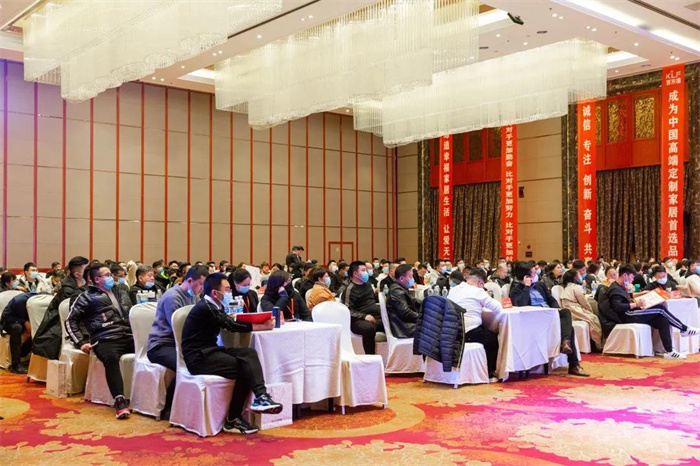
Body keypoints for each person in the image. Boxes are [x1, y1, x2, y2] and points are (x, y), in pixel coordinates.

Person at [181, 273, 282, 434]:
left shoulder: (214, 306)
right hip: (198, 357)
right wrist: (262, 326)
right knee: (244, 368)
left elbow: (228, 321)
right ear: (215, 293)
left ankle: (261, 397)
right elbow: (231, 325)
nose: (230, 293)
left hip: (211, 351)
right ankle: (234, 418)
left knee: (248, 354)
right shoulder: (206, 307)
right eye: (227, 289)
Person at [66, 263, 135, 418]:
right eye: (107, 275)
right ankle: (119, 401)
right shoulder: (86, 297)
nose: (112, 277)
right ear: (97, 279)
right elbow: (71, 320)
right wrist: (81, 342)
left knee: (152, 349)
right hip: (106, 338)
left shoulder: (121, 290)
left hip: (128, 335)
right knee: (111, 358)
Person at [147, 265, 209, 419]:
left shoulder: (194, 295)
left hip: (179, 344)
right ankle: (169, 407)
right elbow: (179, 330)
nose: (202, 288)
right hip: (161, 345)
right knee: (189, 363)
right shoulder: (173, 297)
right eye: (201, 284)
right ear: (190, 281)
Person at [510, 261, 589, 377]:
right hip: (536, 319)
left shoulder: (540, 285)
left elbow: (551, 299)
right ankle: (573, 363)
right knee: (569, 329)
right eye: (534, 273)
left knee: (565, 312)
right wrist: (526, 287)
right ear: (526, 276)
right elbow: (520, 305)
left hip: (550, 315)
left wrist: (556, 308)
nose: (537, 274)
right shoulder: (516, 290)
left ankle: (566, 343)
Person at [607, 264, 697, 359]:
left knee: (663, 320)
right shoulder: (615, 289)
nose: (633, 279)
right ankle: (684, 329)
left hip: (631, 312)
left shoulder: (620, 286)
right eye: (632, 277)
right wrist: (636, 304)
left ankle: (670, 351)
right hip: (628, 315)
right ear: (625, 275)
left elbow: (627, 297)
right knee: (660, 309)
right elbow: (617, 307)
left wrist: (641, 293)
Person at [447, 268, 501, 381]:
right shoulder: (478, 291)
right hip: (469, 332)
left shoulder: (454, 290)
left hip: (452, 331)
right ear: (480, 283)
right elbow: (497, 307)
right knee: (493, 340)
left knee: (485, 332)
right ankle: (490, 374)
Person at [342, 261, 382, 355]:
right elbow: (347, 310)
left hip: (375, 317)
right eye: (363, 270)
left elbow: (374, 301)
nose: (366, 272)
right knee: (368, 328)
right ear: (355, 273)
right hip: (358, 320)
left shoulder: (368, 285)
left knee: (394, 320)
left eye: (366, 270)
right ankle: (370, 356)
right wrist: (364, 316)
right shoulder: (349, 289)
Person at [560, 269, 603, 351]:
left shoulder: (566, 287)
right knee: (594, 319)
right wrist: (590, 311)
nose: (580, 277)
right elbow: (584, 302)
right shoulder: (576, 287)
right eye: (578, 275)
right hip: (574, 310)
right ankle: (597, 344)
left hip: (568, 309)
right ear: (574, 277)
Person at [1, 292, 34, 373]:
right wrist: (24, 322)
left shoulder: (39, 302)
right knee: (17, 328)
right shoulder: (19, 301)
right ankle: (15, 365)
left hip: (27, 322)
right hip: (9, 322)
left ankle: (23, 353)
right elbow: (5, 317)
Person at [386, 264, 419, 338]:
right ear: (401, 278)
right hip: (403, 327)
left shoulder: (400, 288)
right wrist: (421, 317)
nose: (412, 279)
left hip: (405, 324)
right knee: (435, 328)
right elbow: (405, 313)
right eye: (410, 277)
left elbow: (413, 301)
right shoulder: (397, 291)